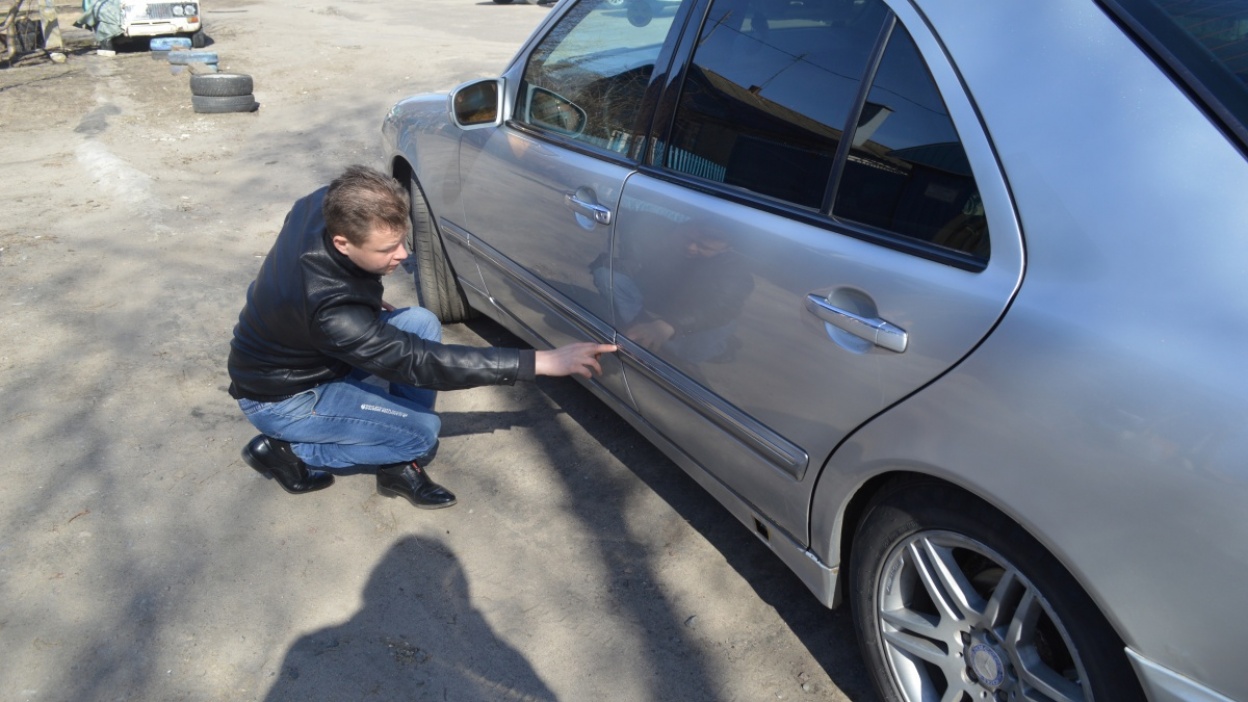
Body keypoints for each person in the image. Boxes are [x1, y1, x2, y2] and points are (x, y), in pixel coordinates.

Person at [228, 165, 615, 510]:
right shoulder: (334, 315)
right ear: (342, 243)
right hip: (286, 397)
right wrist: (540, 361)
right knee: (423, 435)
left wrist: (361, 300)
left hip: (304, 355)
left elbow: (325, 293)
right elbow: (421, 361)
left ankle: (395, 451)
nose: (402, 255)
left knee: (421, 322)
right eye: (386, 249)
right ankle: (286, 450)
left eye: (402, 240)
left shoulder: (323, 204)